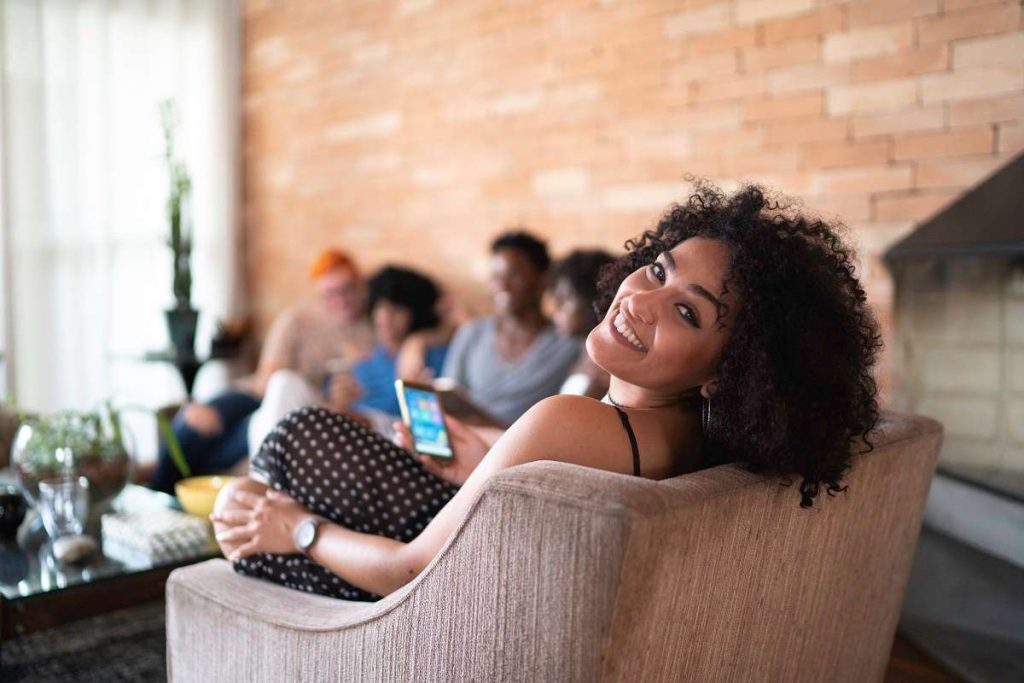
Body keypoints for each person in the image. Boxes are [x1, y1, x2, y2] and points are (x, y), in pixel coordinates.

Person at [211, 182, 881, 602]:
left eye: (687, 312)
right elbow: (562, 488)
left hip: (414, 591)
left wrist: (294, 528)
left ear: (730, 369)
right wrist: (493, 464)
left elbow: (412, 569)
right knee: (292, 439)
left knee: (289, 441)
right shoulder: (684, 436)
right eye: (657, 269)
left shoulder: (569, 417)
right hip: (468, 556)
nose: (642, 299)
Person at [149, 249, 373, 493]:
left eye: (347, 289)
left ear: (360, 284)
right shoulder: (297, 319)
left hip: (304, 411)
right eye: (330, 293)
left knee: (256, 431)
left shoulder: (373, 330)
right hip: (256, 393)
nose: (340, 300)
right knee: (197, 419)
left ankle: (179, 492)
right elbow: (270, 378)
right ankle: (156, 493)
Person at [247, 265, 448, 446]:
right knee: (282, 387)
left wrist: (417, 342)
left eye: (396, 310)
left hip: (385, 433)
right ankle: (268, 472)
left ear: (415, 313)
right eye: (379, 308)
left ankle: (265, 476)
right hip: (341, 426)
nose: (384, 318)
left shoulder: (429, 357)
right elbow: (330, 404)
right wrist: (339, 403)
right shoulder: (368, 359)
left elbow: (430, 425)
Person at [438, 231, 581, 426]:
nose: (502, 285)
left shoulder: (566, 343)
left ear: (542, 280)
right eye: (495, 276)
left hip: (527, 450)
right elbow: (448, 395)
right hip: (467, 441)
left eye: (514, 275)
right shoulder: (472, 333)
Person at [549, 248, 616, 398]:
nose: (556, 309)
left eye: (564, 299)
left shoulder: (603, 373)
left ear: (593, 299)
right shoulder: (580, 356)